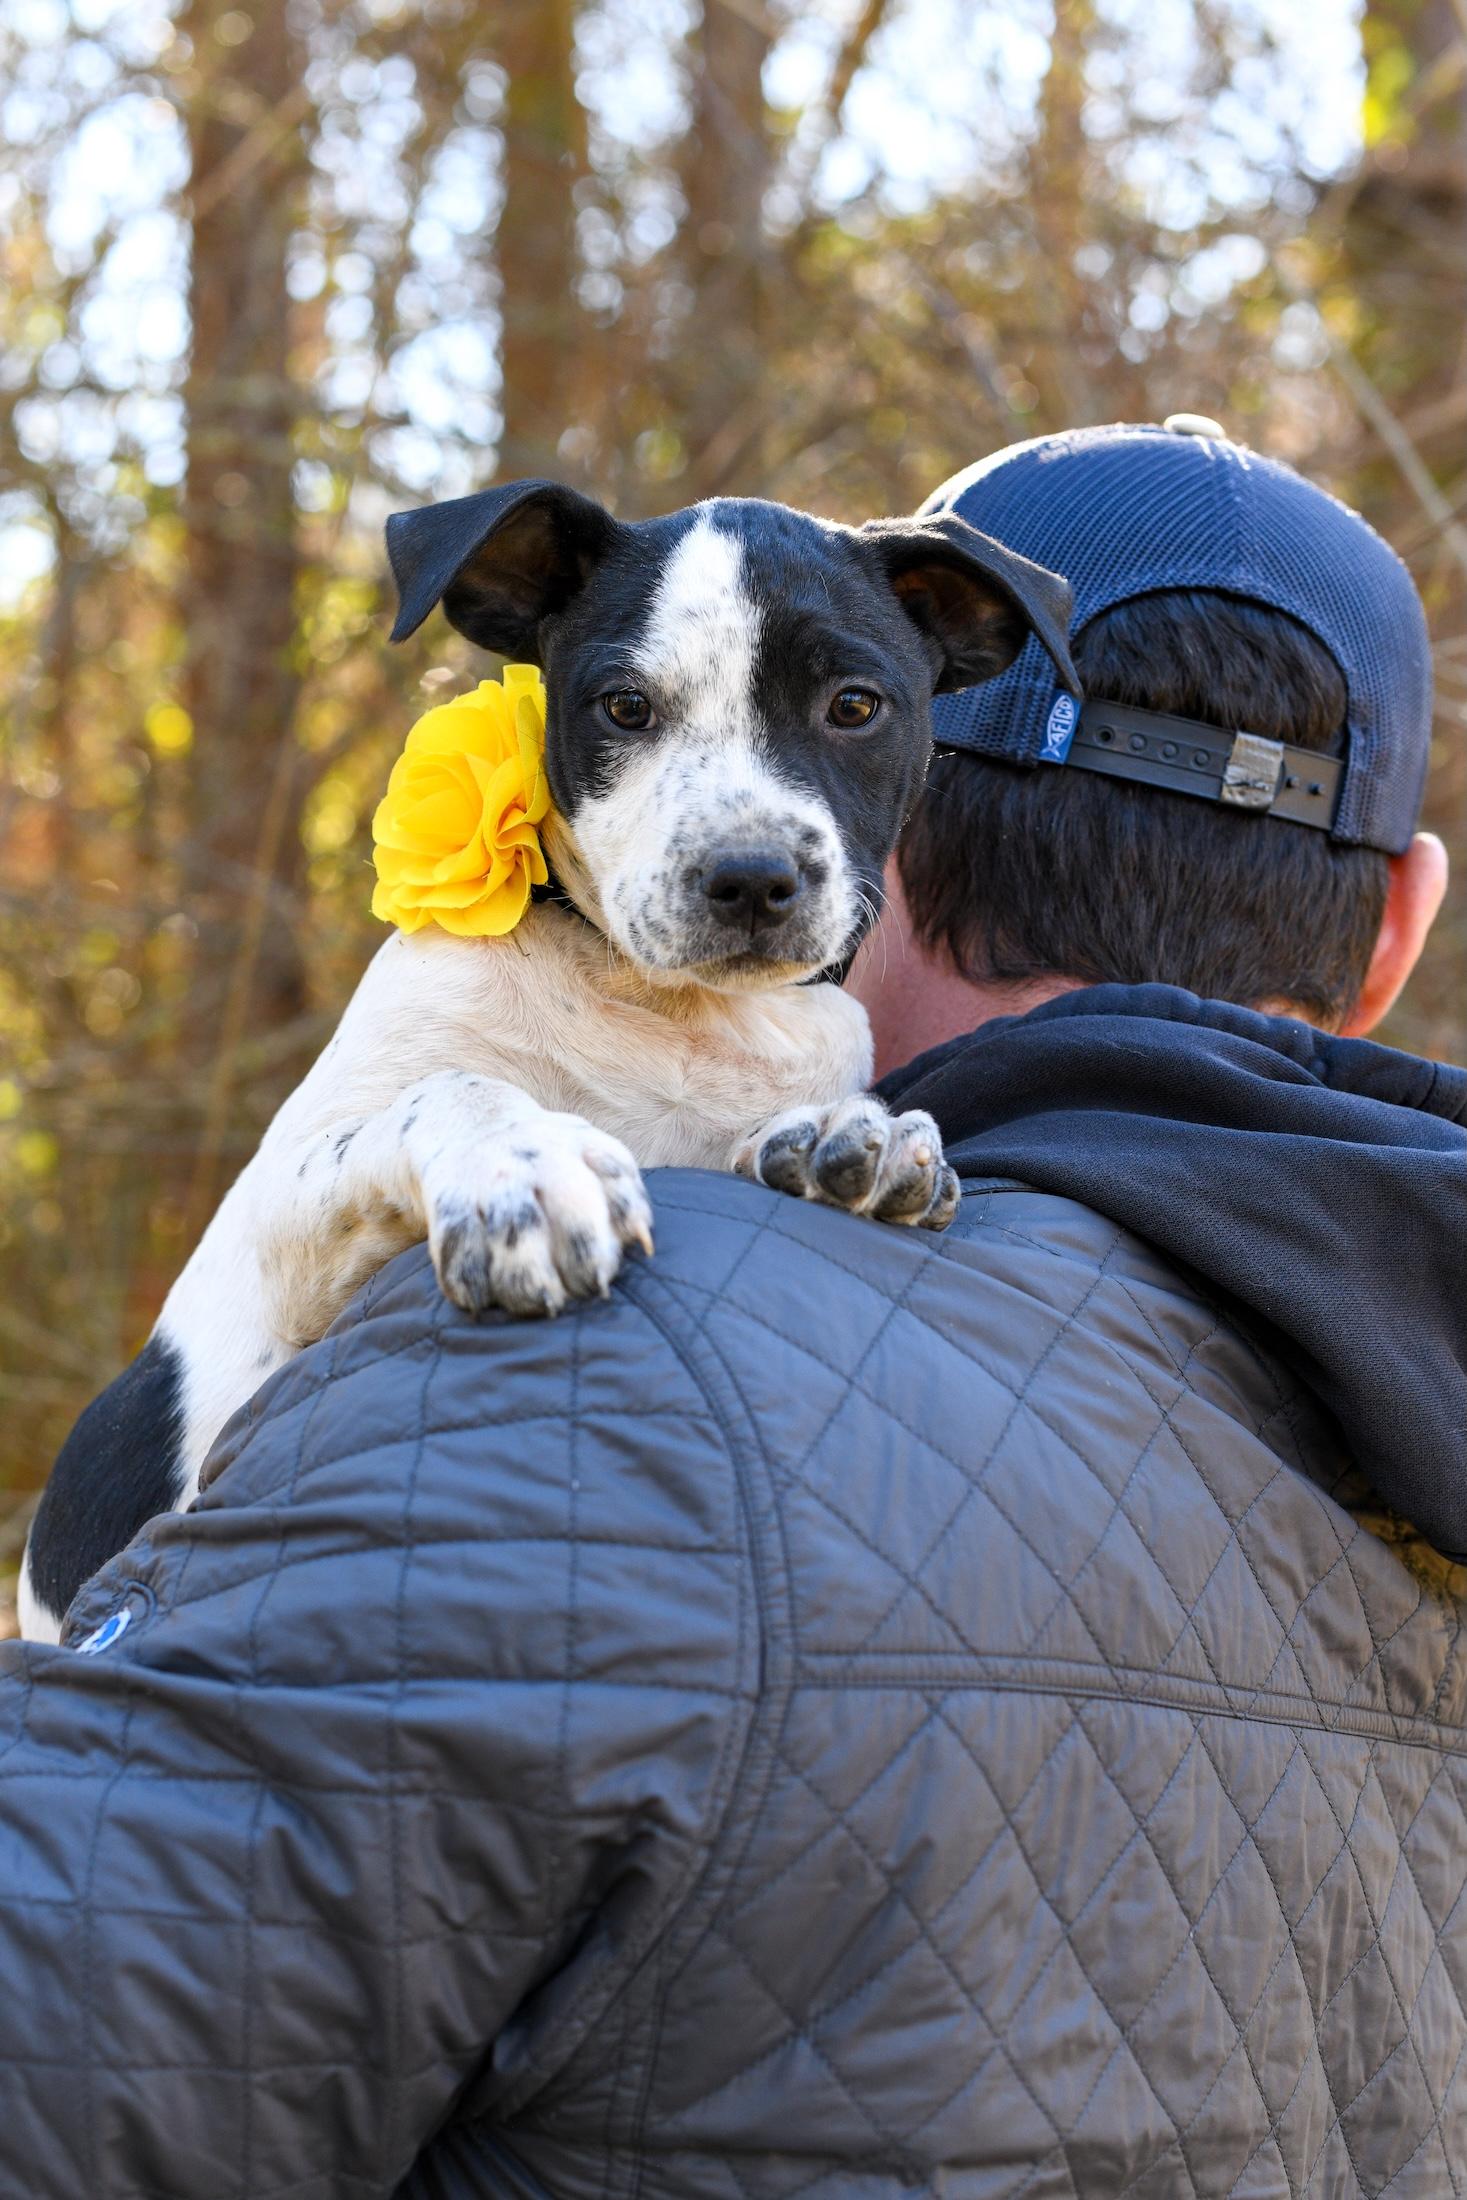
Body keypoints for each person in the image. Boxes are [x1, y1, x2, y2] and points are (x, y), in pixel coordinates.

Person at [1, 420, 1464, 2199]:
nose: (748, 820)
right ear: (1399, 933)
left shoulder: (572, 1416)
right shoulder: (1397, 1402)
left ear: (913, 816)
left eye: (841, 712)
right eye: (635, 713)